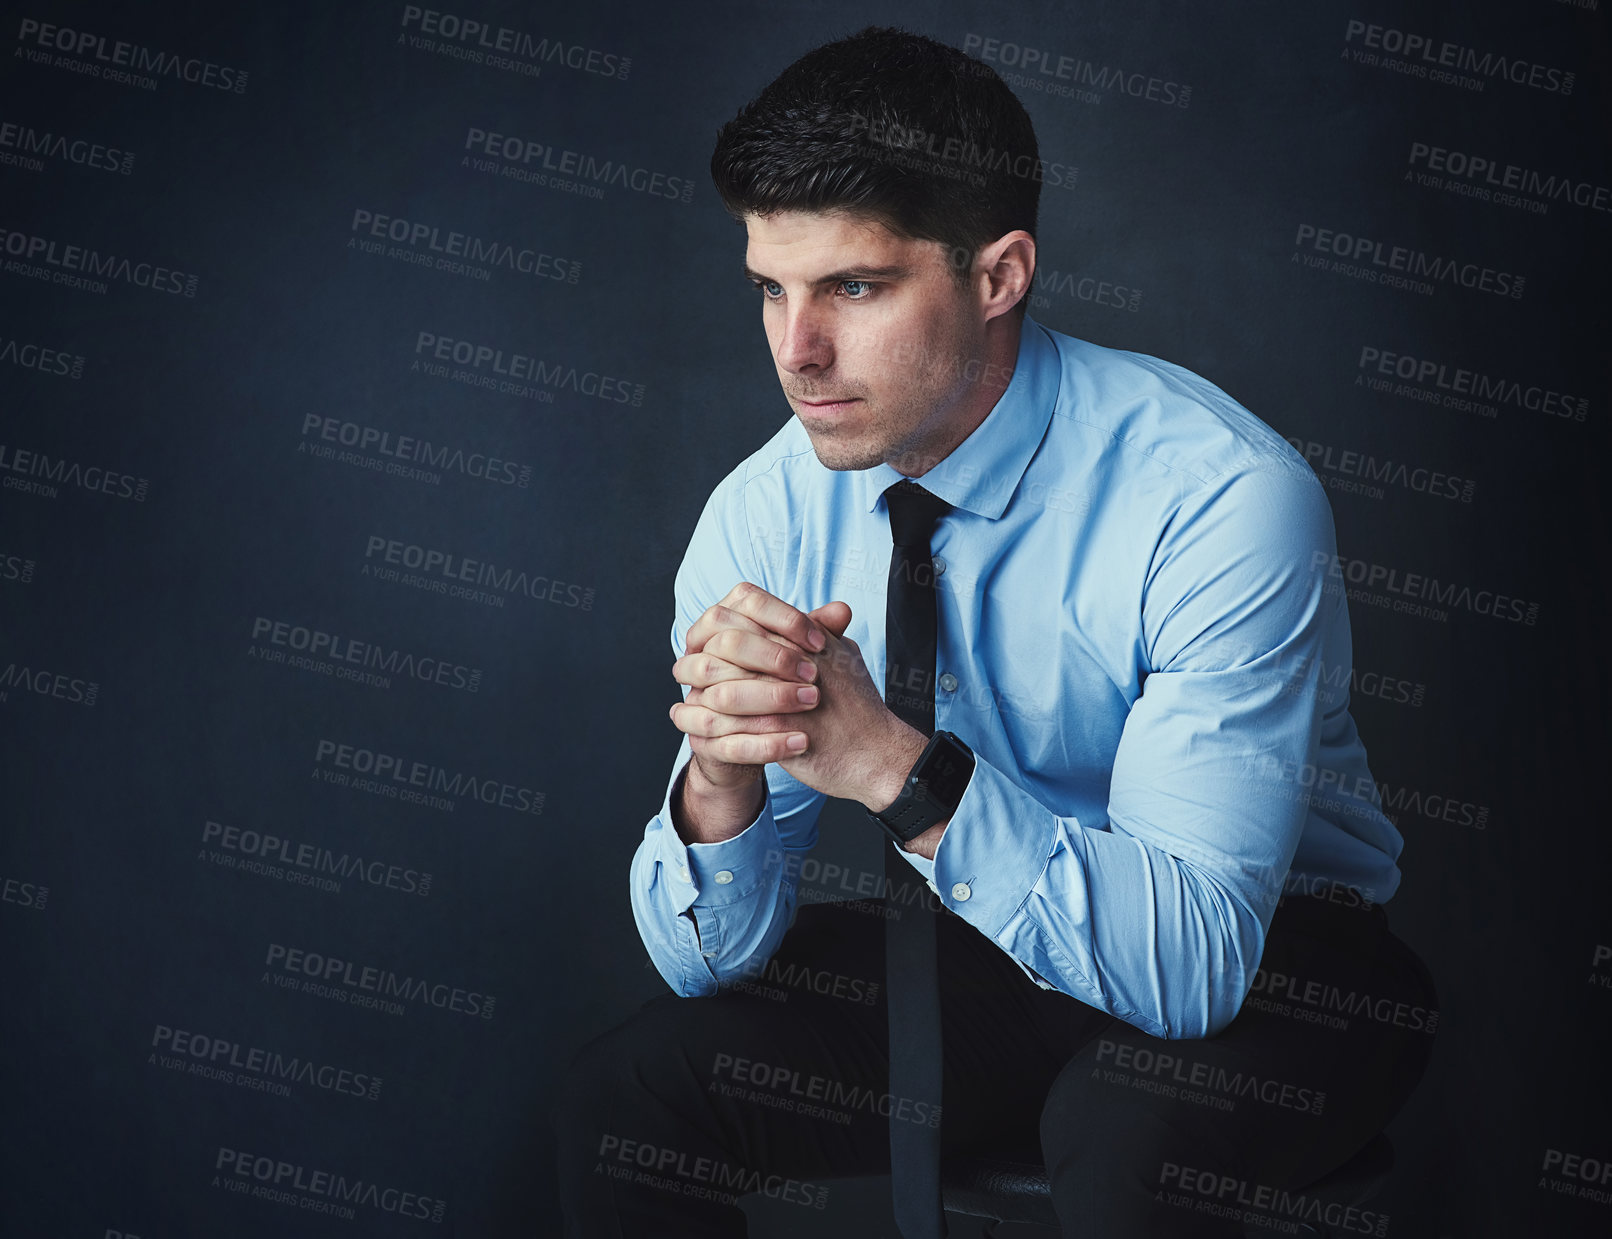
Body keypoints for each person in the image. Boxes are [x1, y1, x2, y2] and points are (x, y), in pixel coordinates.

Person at [554, 25, 1437, 1237]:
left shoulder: (1219, 496)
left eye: (853, 287)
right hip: (980, 936)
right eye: (772, 287)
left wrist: (885, 767)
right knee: (629, 1094)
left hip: (1274, 956)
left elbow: (1190, 965)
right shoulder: (766, 511)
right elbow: (706, 960)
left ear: (998, 275)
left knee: (1119, 1129)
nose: (796, 352)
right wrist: (718, 782)